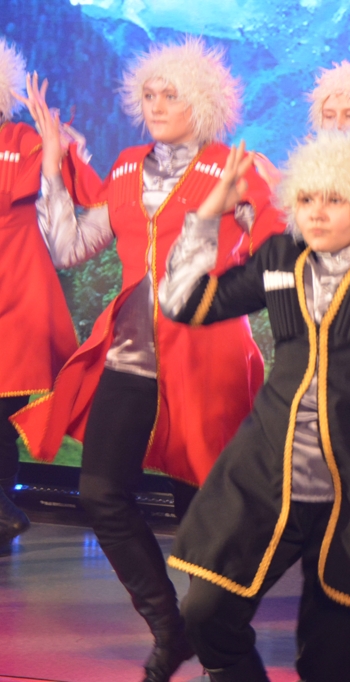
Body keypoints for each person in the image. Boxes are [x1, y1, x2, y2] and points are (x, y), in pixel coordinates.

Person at [11, 38, 282, 681]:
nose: (156, 105)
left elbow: (277, 254)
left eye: (171, 95)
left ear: (204, 102)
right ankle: (169, 626)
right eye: (149, 94)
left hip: (210, 360)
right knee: (101, 492)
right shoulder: (129, 166)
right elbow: (70, 246)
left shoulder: (233, 167)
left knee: (201, 518)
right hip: (129, 355)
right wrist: (52, 165)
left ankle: (223, 652)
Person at [161, 131, 350, 682]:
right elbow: (184, 302)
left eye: (334, 199)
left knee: (333, 662)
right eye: (305, 199)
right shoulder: (280, 256)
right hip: (268, 476)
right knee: (205, 610)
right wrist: (207, 214)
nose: (316, 212)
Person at [0, 37, 80, 556]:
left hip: (18, 300)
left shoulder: (19, 138)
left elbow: (53, 182)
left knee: (2, 415)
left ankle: (4, 509)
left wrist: (57, 146)